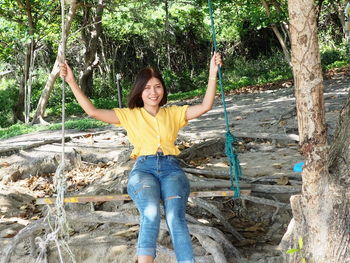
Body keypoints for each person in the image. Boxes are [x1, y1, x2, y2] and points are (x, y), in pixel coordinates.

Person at [60, 52, 222, 263]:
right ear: (139, 91)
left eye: (157, 87)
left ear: (163, 90)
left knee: (175, 218)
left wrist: (213, 73)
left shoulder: (174, 113)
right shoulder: (130, 115)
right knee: (151, 213)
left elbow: (205, 106)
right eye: (147, 88)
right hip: (144, 170)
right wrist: (71, 81)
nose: (153, 92)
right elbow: (92, 111)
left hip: (171, 169)